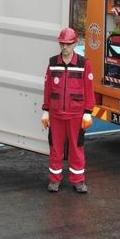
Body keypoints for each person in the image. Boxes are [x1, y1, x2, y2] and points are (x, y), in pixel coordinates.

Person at [41, 27, 95, 194]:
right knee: (55, 148)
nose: (65, 47)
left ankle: (78, 181)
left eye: (68, 44)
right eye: (62, 44)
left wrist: (88, 112)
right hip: (56, 115)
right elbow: (48, 88)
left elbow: (89, 89)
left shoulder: (83, 64)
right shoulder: (52, 63)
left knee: (76, 148)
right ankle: (54, 181)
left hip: (76, 116)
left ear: (75, 44)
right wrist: (46, 111)